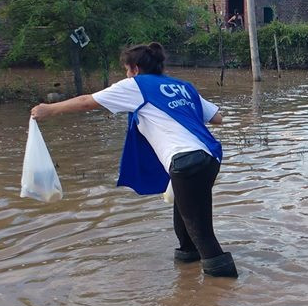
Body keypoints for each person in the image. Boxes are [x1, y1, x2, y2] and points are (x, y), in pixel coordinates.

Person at [30, 43, 237, 278]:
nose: (126, 75)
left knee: (202, 234)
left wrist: (50, 109)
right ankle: (188, 280)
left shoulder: (136, 85)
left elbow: (88, 101)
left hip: (185, 162)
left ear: (135, 69)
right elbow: (217, 118)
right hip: (209, 158)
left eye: (127, 70)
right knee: (186, 224)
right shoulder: (182, 86)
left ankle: (224, 293)